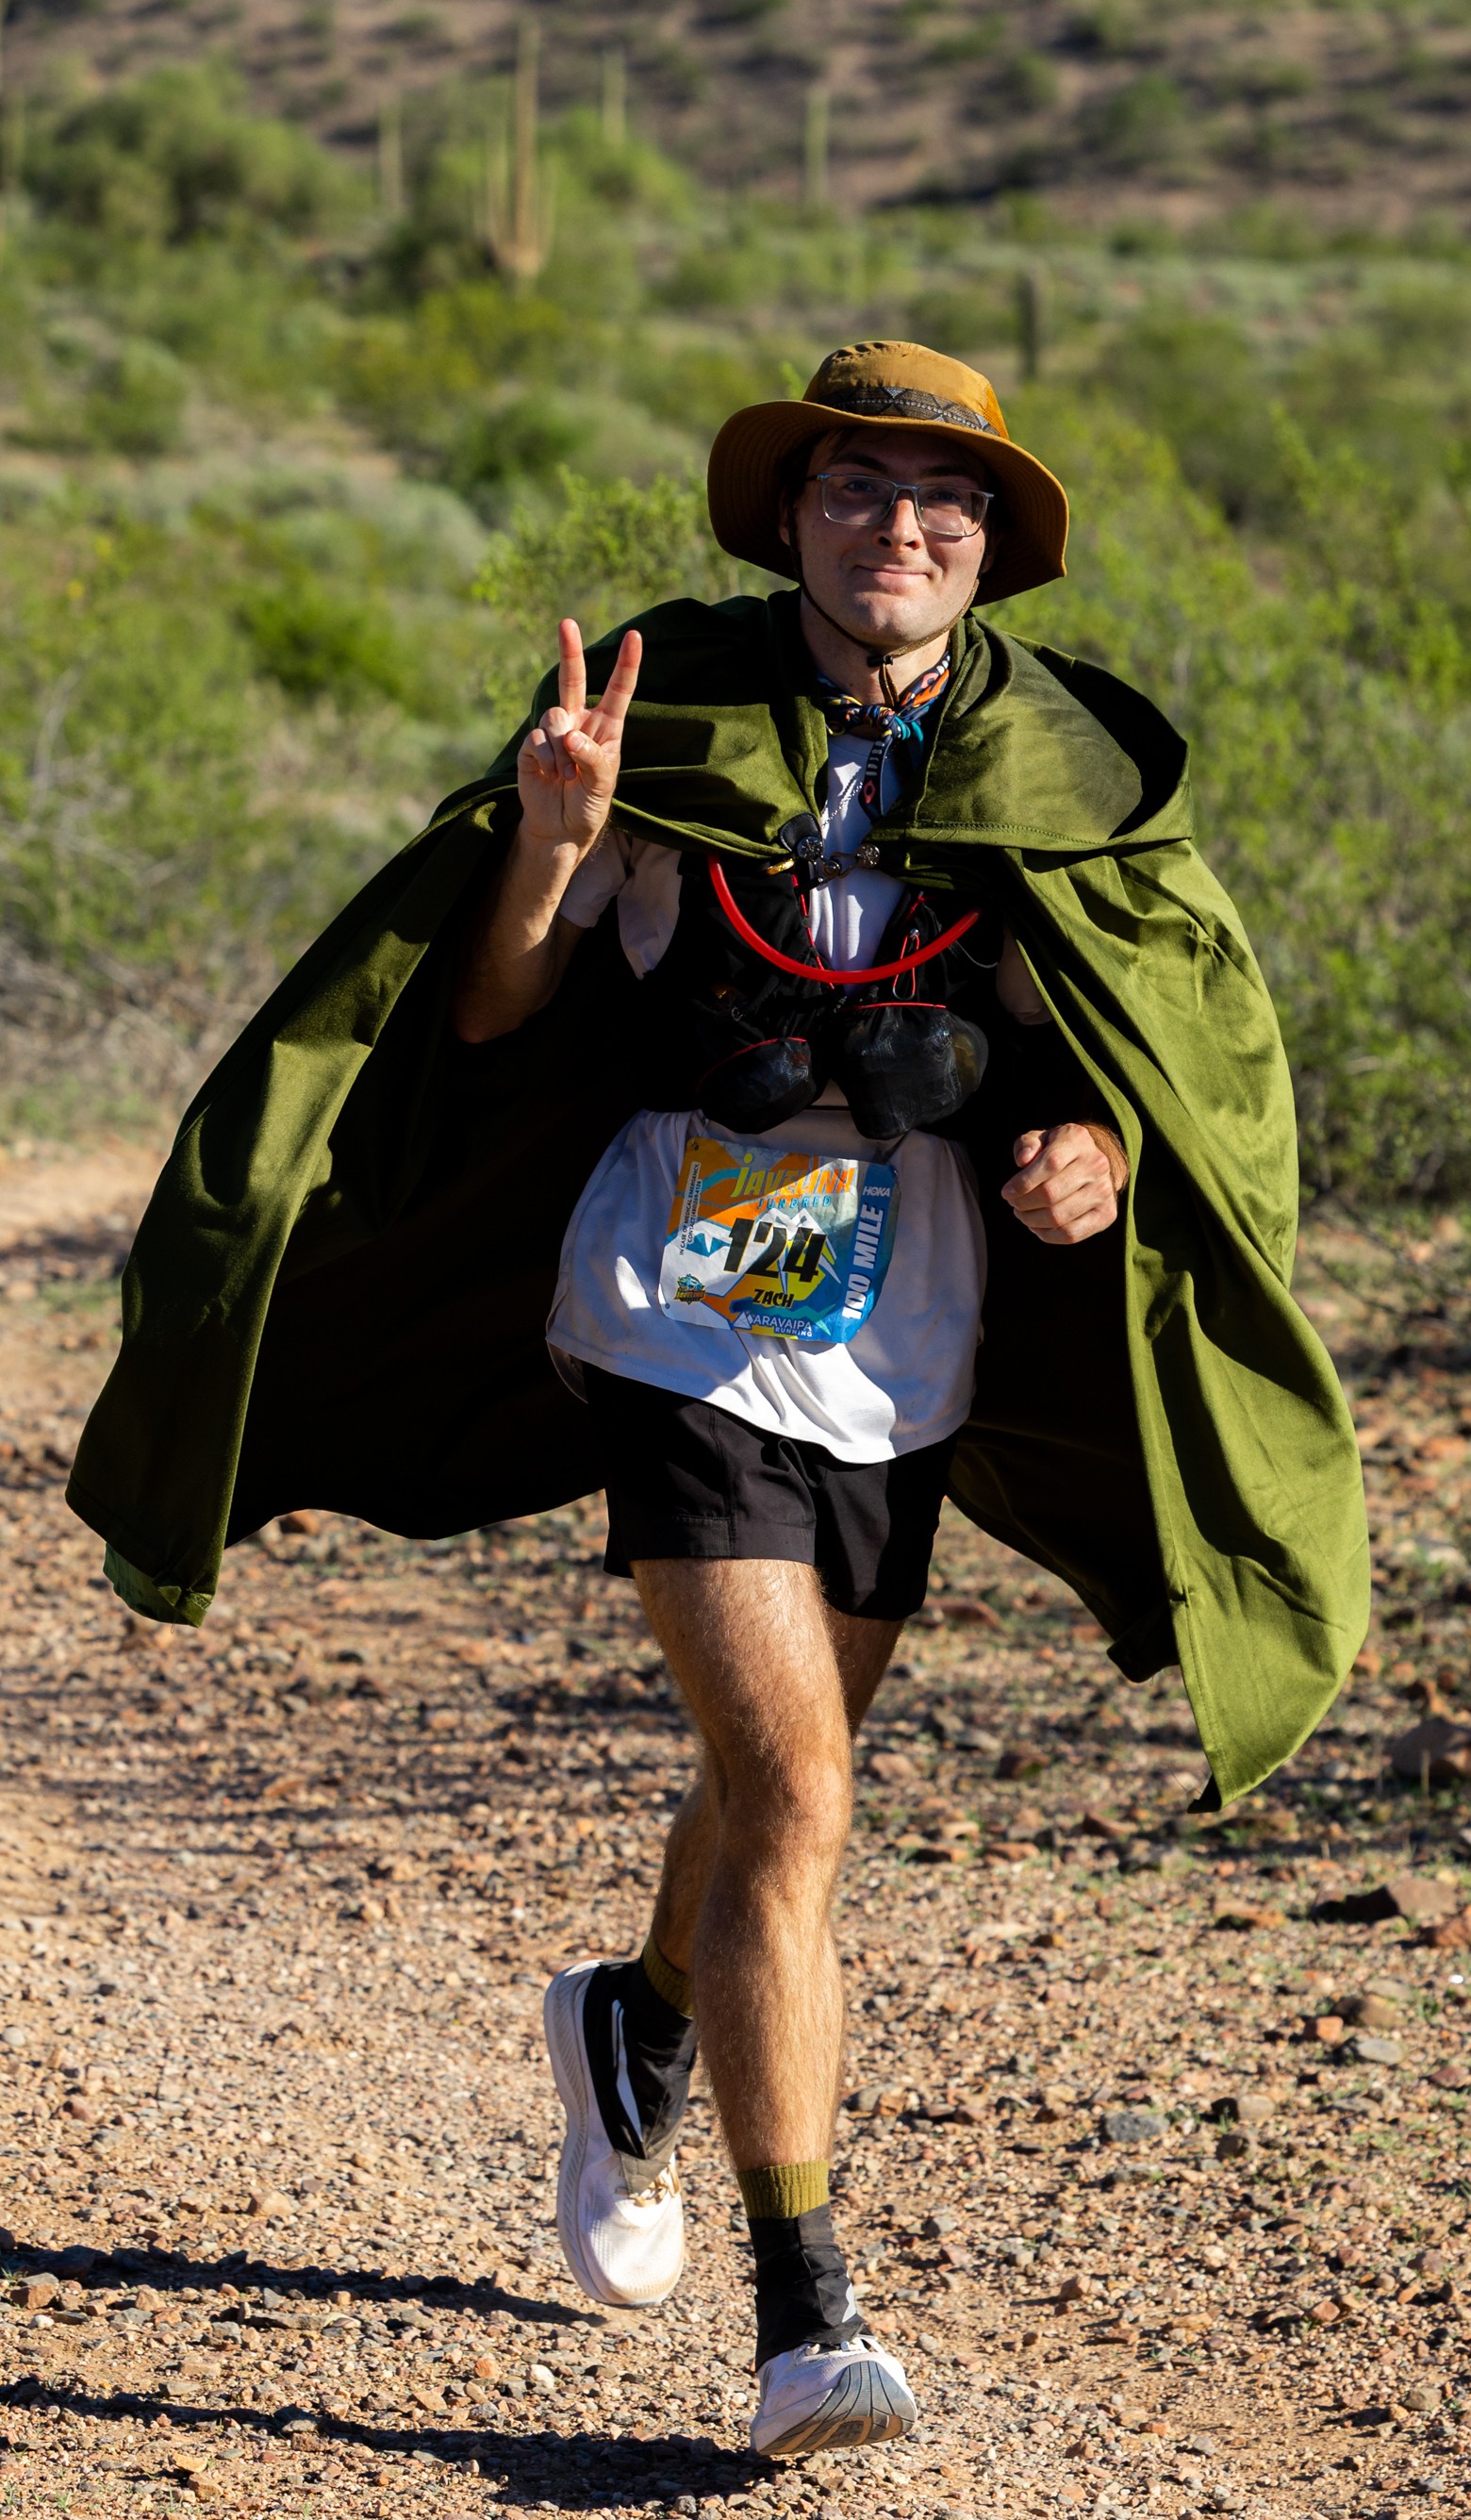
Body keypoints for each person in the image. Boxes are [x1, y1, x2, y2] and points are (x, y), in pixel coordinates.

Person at [67, 342, 1368, 2462]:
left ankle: (639, 2019)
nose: (901, 529)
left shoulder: (1062, 775)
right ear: (791, 516)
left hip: (904, 1339)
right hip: (669, 1301)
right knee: (803, 1795)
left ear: (993, 544)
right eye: (858, 488)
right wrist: (553, 845)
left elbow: (1151, 1065)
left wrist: (1097, 1162)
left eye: (943, 499)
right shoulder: (660, 714)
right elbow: (492, 1012)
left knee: (784, 1787)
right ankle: (805, 2308)